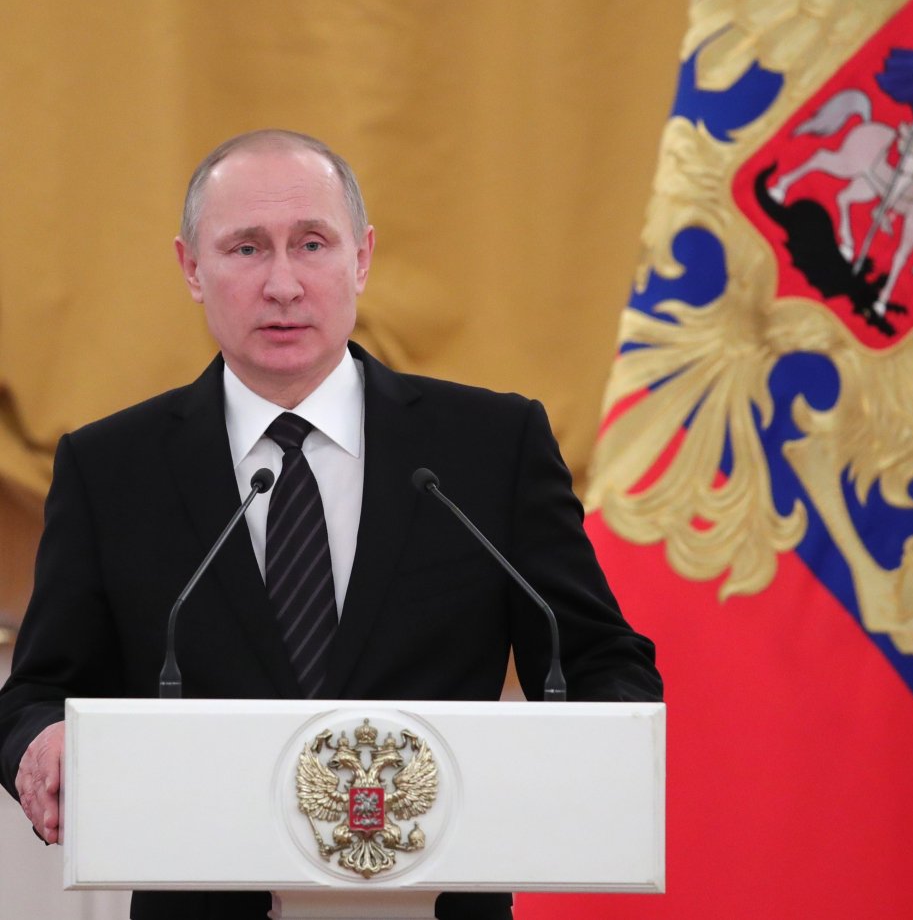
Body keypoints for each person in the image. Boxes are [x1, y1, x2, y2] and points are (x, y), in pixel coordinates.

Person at [0, 129, 663, 920]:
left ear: (361, 258)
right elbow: (40, 689)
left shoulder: (489, 448)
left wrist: (583, 767)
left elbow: (602, 659)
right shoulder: (112, 469)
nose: (283, 283)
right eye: (245, 249)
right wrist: (38, 743)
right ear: (189, 268)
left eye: (311, 244)